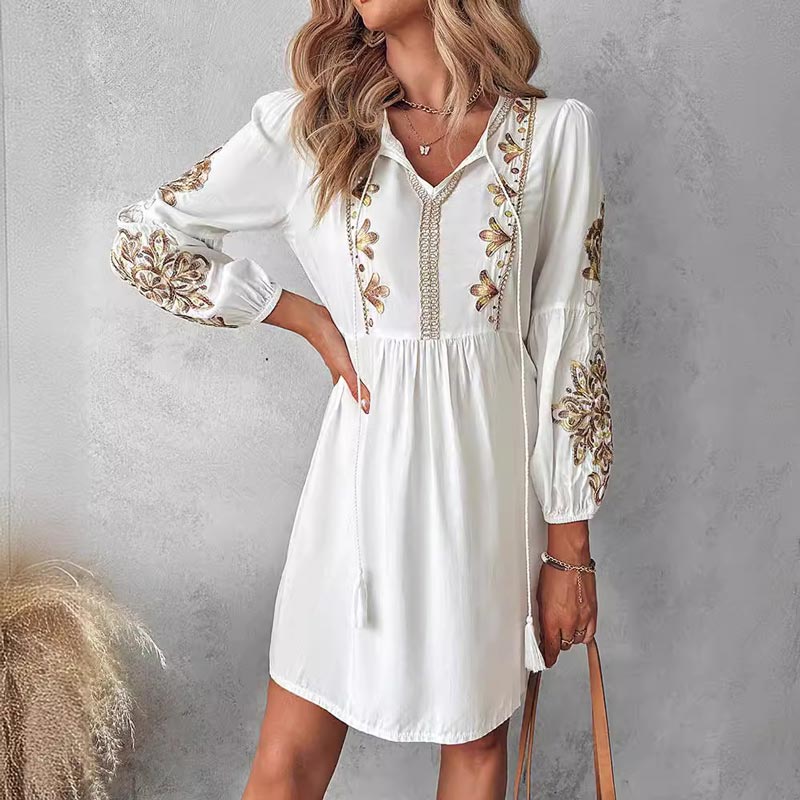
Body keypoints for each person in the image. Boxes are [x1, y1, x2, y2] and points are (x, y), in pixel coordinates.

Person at [110, 1, 614, 797]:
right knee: (290, 759)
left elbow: (570, 342)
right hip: (355, 495)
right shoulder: (309, 130)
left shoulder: (554, 136)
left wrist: (569, 549)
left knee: (476, 747)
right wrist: (300, 315)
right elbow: (144, 236)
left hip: (489, 501)